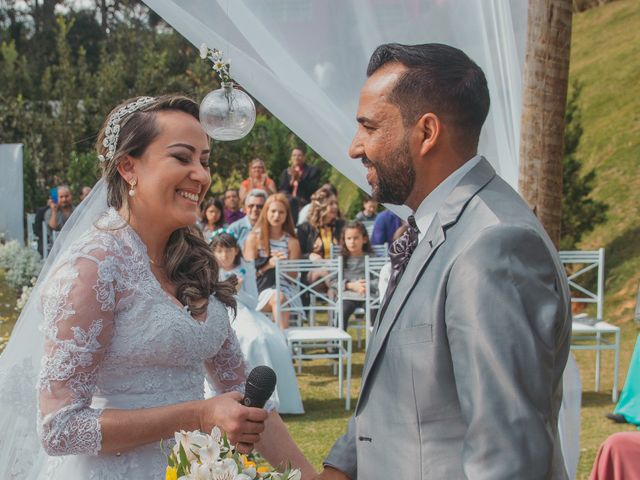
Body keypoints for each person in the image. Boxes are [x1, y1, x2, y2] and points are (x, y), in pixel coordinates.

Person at [0, 95, 315, 479]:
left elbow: (240, 389)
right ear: (128, 167)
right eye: (182, 158)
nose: (201, 175)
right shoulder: (93, 267)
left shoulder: (196, 262)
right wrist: (198, 414)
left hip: (196, 468)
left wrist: (310, 477)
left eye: (204, 160)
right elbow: (60, 429)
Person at [318, 43, 571, 479]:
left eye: (369, 127)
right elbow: (405, 390)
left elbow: (507, 458)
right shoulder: (430, 225)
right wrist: (340, 469)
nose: (355, 148)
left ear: (427, 132)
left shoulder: (493, 245)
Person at [210, 230, 304, 414]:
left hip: (244, 310)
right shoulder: (210, 269)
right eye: (219, 251)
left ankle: (269, 396)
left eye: (228, 250)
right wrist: (226, 291)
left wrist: (237, 291)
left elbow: (254, 301)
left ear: (236, 250)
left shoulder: (246, 268)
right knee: (242, 337)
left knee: (262, 337)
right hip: (220, 311)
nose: (224, 255)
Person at [244, 193, 303, 330]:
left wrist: (284, 265)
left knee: (280, 297)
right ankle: (283, 342)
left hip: (287, 290)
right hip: (260, 290)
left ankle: (280, 342)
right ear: (266, 212)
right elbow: (248, 274)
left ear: (287, 215)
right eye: (273, 211)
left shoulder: (292, 242)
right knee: (279, 298)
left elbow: (294, 277)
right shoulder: (254, 238)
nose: (277, 216)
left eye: (281, 212)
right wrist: (269, 265)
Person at [335, 220, 377, 331]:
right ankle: (336, 346)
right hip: (347, 296)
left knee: (374, 310)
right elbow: (331, 281)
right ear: (344, 240)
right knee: (342, 311)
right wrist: (350, 285)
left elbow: (380, 279)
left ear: (364, 239)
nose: (352, 242)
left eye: (356, 238)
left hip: (368, 295)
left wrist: (366, 285)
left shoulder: (372, 258)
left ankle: (377, 341)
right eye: (348, 238)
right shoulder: (340, 259)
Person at [296, 187, 344, 261]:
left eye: (336, 203)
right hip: (314, 270)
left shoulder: (342, 226)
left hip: (339, 269)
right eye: (331, 204)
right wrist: (310, 256)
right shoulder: (304, 229)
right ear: (321, 206)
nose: (335, 207)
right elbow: (297, 256)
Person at [278, 147, 321, 222]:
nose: (296, 158)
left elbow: (312, 189)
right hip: (288, 203)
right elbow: (282, 190)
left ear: (304, 157)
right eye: (294, 155)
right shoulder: (286, 172)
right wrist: (291, 182)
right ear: (291, 158)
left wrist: (299, 179)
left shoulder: (313, 171)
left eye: (299, 155)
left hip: (304, 203)